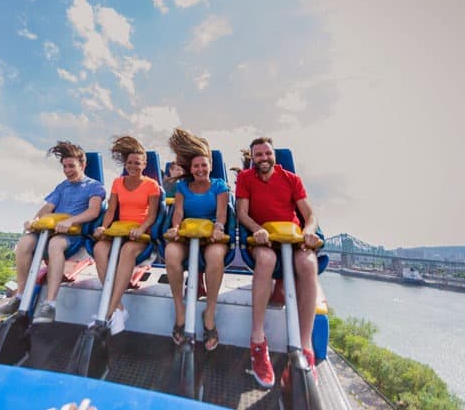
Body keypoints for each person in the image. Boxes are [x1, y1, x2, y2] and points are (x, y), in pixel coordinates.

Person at [235, 137, 322, 388]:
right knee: (265, 259)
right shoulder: (246, 178)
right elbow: (242, 212)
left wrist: (308, 230)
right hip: (263, 237)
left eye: (267, 154)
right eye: (258, 155)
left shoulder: (291, 179)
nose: (263, 158)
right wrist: (256, 229)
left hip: (292, 237)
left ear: (274, 155)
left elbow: (310, 215)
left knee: (308, 263)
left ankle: (305, 348)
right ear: (253, 158)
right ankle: (258, 341)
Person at [0, 141, 106, 322]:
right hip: (51, 231)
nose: (67, 170)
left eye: (72, 166)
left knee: (55, 245)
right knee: (24, 242)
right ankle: (20, 296)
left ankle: (50, 304)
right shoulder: (62, 186)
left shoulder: (95, 186)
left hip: (72, 234)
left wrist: (70, 221)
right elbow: (48, 207)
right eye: (64, 167)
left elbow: (93, 211)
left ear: (83, 165)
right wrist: (35, 221)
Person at [164, 128, 229, 351]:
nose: (200, 169)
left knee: (216, 256)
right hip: (187, 232)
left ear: (210, 166)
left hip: (211, 233)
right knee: (171, 253)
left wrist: (218, 228)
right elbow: (178, 212)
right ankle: (180, 312)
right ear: (190, 169)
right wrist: (175, 228)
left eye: (204, 165)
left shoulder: (220, 186)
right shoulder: (182, 186)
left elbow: (221, 213)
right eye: (196, 166)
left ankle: (209, 313)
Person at [92, 136, 161, 335]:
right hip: (119, 230)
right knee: (99, 248)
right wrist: (104, 228)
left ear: (144, 164)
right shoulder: (117, 183)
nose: (133, 166)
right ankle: (119, 308)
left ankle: (106, 312)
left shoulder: (152, 185)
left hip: (139, 233)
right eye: (129, 163)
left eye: (137, 163)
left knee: (128, 251)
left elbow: (152, 214)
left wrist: (141, 229)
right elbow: (111, 211)